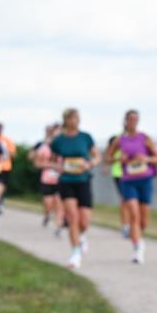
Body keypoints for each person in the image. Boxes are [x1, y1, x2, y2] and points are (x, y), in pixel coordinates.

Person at [104, 110, 157, 264]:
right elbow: (107, 158)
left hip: (145, 180)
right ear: (125, 121)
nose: (133, 122)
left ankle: (139, 239)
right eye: (130, 119)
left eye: (136, 119)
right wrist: (117, 158)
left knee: (144, 220)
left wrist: (147, 158)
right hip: (128, 181)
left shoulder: (144, 138)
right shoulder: (119, 140)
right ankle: (137, 248)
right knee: (134, 216)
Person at [50, 108, 98, 269]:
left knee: (84, 221)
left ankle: (82, 235)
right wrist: (58, 166)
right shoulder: (59, 140)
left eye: (76, 118)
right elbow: (50, 160)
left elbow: (97, 156)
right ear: (66, 120)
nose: (73, 121)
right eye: (70, 118)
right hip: (66, 180)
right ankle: (75, 253)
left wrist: (89, 164)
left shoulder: (85, 137)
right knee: (72, 217)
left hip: (83, 180)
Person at [32, 124, 64, 230]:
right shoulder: (45, 148)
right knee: (48, 204)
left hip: (60, 180)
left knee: (59, 204)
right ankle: (47, 215)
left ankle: (58, 226)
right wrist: (52, 165)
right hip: (47, 179)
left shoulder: (65, 148)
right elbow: (37, 164)